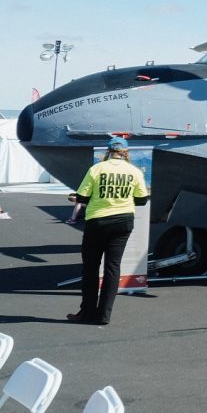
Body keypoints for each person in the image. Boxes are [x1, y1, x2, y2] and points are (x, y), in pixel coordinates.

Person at [68, 137, 149, 325]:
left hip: (97, 222)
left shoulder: (97, 169)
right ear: (125, 153)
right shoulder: (134, 171)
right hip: (123, 222)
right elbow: (142, 199)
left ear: (108, 151)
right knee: (113, 267)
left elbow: (82, 196)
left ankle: (87, 313)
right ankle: (104, 315)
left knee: (90, 267)